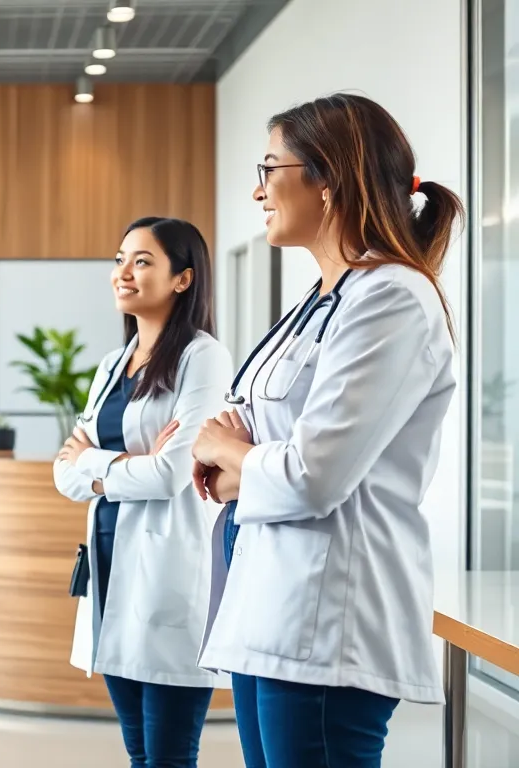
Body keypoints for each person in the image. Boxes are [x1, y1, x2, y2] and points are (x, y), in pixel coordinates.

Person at [191, 93, 461, 768]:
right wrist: (239, 456)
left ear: (328, 180)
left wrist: (235, 456)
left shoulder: (392, 298)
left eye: (269, 166)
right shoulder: (324, 298)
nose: (257, 188)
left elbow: (312, 479)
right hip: (270, 613)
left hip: (326, 628)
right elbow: (243, 438)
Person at [54, 216, 233, 768]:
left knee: (169, 758)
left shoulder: (202, 357)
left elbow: (171, 475)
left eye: (142, 261)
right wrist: (127, 463)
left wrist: (95, 464)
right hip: (111, 576)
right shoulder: (113, 364)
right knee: (139, 754)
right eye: (119, 260)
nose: (123, 273)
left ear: (183, 278)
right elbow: (63, 474)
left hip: (167, 580)